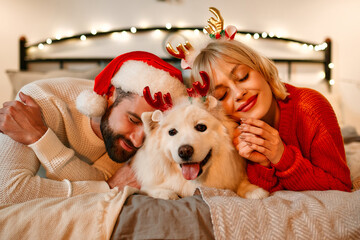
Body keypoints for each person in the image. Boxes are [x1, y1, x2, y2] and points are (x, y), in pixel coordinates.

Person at [0, 51, 187, 205]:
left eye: (149, 127)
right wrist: (40, 137)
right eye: (133, 120)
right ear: (111, 95)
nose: (138, 141)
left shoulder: (137, 139)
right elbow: (7, 191)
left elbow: (99, 177)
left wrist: (41, 139)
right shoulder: (39, 102)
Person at [190, 39, 352, 193]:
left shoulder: (309, 107)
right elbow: (267, 197)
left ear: (261, 69)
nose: (239, 93)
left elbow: (341, 186)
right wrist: (262, 163)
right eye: (222, 95)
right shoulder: (232, 138)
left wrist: (282, 156)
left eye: (243, 77)